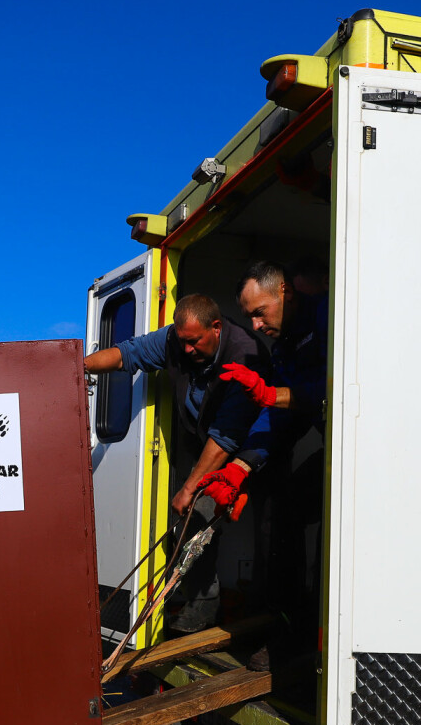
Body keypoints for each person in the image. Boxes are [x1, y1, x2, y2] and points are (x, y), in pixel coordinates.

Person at [85, 293, 268, 632]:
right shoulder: (175, 340)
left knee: (263, 529)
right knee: (193, 522)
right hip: (207, 442)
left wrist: (188, 488)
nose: (186, 351)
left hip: (253, 448)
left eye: (194, 342)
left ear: (216, 327)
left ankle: (266, 617)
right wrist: (78, 366)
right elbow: (127, 353)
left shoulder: (243, 353)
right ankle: (202, 608)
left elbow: (227, 435)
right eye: (181, 341)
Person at [199, 258, 328, 670]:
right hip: (330, 444)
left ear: (284, 291)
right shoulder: (287, 343)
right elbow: (278, 415)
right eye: (249, 317)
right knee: (279, 506)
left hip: (371, 447)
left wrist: (274, 395)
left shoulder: (330, 315)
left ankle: (313, 637)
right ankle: (288, 625)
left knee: (321, 522)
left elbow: (336, 383)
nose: (255, 326)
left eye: (260, 312)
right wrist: (240, 467)